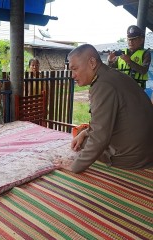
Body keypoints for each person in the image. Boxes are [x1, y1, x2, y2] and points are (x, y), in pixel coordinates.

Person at [57, 44, 153, 173]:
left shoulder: (102, 85)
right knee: (82, 137)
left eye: (75, 69)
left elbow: (99, 137)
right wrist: (85, 132)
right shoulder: (114, 76)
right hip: (145, 151)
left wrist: (75, 166)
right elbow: (107, 120)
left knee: (84, 144)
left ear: (92, 62)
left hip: (132, 158)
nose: (73, 75)